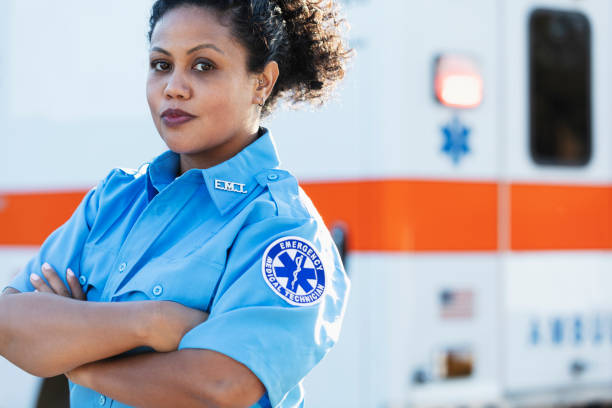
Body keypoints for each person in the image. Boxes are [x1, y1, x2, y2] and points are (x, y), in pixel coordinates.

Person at [0, 0, 352, 407]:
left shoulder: (281, 229)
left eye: (203, 66)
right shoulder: (113, 201)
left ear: (262, 82)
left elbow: (221, 388)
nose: (174, 87)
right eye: (161, 65)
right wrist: (153, 322)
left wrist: (74, 360)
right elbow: (9, 324)